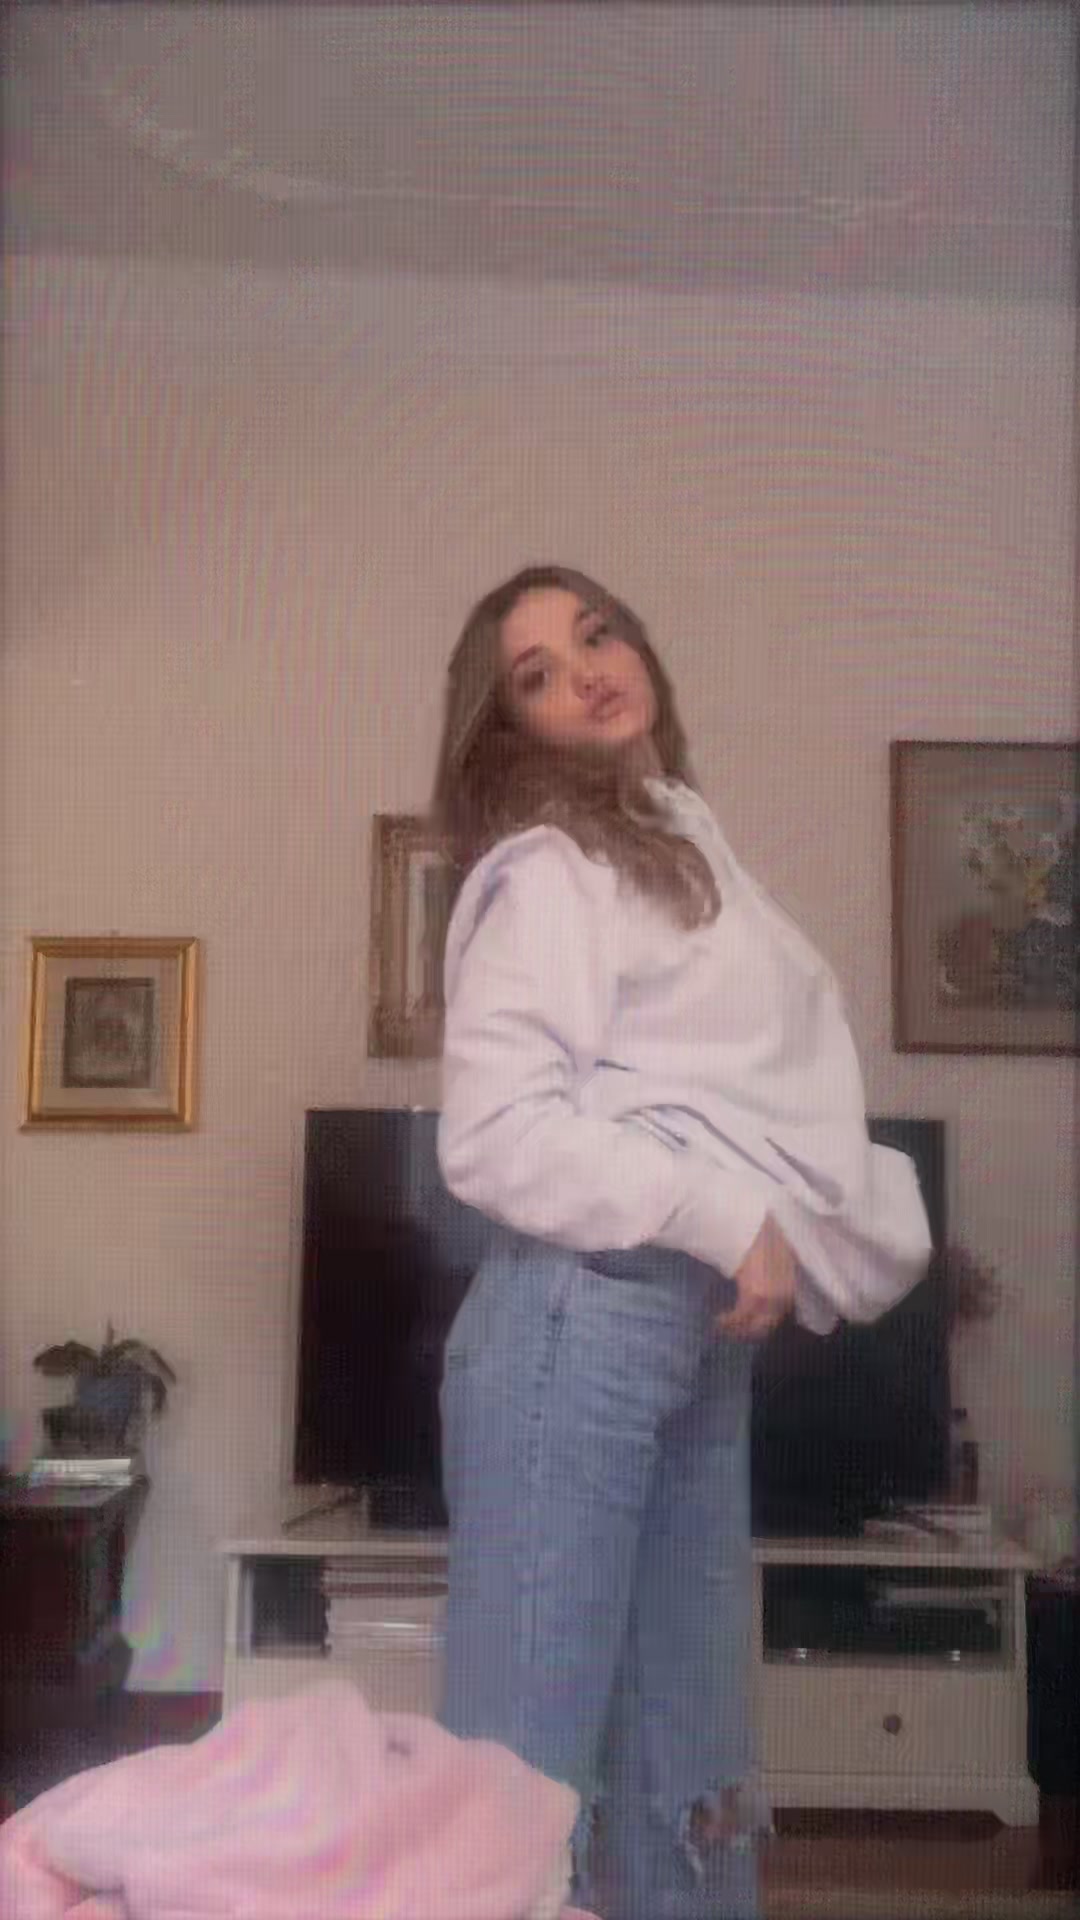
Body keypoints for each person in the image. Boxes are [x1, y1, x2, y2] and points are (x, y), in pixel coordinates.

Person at [430, 564, 932, 1920]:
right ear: (509, 727)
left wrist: (756, 1223)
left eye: (596, 634)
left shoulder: (678, 837)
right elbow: (490, 1135)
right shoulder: (551, 872)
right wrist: (728, 1213)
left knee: (688, 1756)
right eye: (536, 673)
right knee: (522, 1778)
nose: (586, 670)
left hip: (682, 1327)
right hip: (580, 1318)